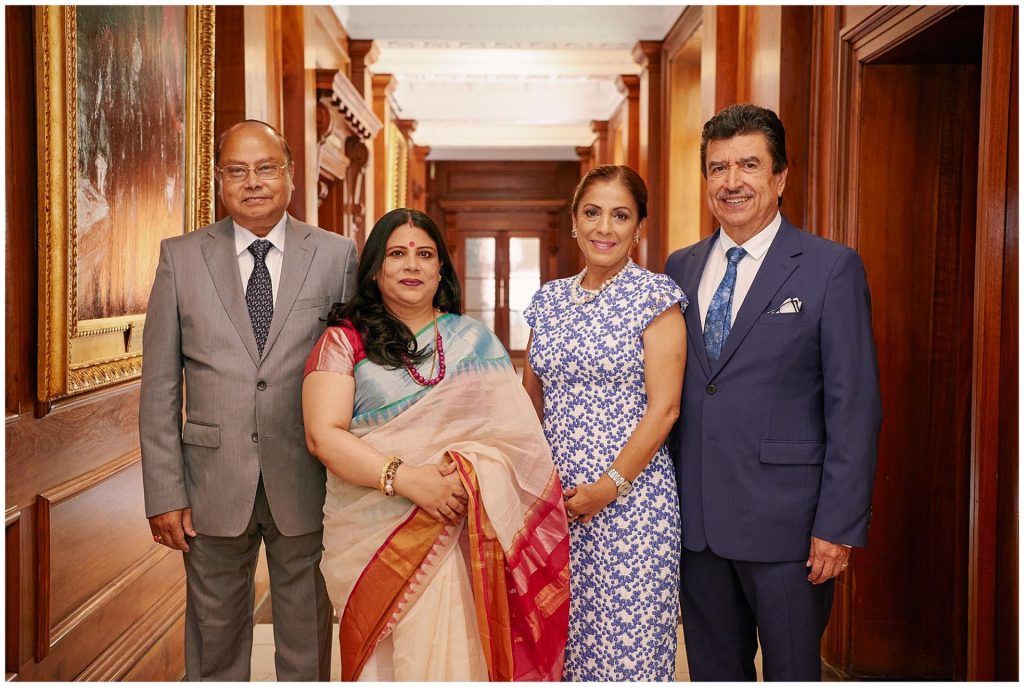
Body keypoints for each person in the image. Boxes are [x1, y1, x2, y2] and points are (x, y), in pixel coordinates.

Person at [302, 208, 571, 681]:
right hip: (375, 534)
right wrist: (409, 480)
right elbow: (323, 436)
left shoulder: (475, 342)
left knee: (460, 656)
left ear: (441, 268)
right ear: (376, 268)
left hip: (461, 527)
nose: (412, 265)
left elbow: (519, 442)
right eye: (397, 254)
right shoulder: (343, 341)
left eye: (425, 254)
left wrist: (470, 474)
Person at [663, 103, 882, 681]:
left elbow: (854, 407)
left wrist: (837, 526)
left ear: (780, 177)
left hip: (791, 530)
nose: (731, 182)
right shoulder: (678, 269)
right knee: (713, 673)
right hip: (697, 525)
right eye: (717, 168)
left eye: (748, 165)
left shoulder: (830, 268)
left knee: (791, 672)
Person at [139, 120, 357, 681]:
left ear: (289, 175)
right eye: (237, 170)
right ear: (218, 180)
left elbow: (360, 371)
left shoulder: (335, 256)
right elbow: (161, 384)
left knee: (308, 639)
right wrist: (164, 491)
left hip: (309, 475)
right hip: (210, 482)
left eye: (265, 168)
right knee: (213, 647)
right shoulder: (180, 258)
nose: (252, 182)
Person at [522, 165, 687, 681]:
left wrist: (607, 488)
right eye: (592, 213)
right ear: (574, 221)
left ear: (638, 227)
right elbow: (531, 399)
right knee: (562, 654)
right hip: (558, 508)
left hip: (632, 509)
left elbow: (665, 410)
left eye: (621, 216)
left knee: (627, 659)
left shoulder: (656, 298)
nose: (604, 228)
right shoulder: (548, 299)